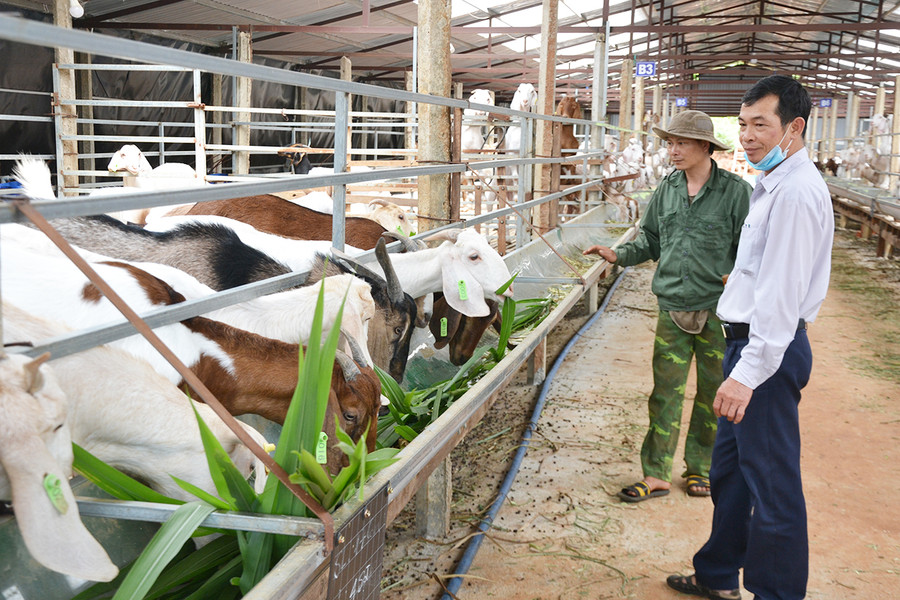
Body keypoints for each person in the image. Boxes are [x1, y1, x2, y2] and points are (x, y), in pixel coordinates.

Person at [666, 76, 834, 600]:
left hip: (767, 353)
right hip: (747, 344)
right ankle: (718, 574)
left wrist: (747, 374)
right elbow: (766, 274)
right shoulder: (774, 184)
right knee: (731, 474)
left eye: (761, 124)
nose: (747, 136)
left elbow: (782, 297)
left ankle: (777, 592)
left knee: (772, 484)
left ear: (794, 127)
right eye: (743, 124)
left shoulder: (795, 194)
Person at [584, 110, 751, 502]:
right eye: (670, 143)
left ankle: (701, 469)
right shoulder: (667, 189)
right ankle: (656, 472)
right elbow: (651, 241)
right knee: (665, 392)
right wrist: (618, 254)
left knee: (713, 394)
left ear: (705, 146)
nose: (673, 150)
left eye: (681, 143)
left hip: (718, 312)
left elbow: (752, 249)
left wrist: (742, 278)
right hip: (673, 306)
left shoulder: (736, 192)